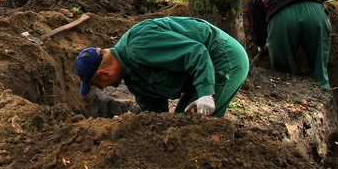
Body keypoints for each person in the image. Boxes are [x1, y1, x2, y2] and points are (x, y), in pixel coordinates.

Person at [75, 17, 250, 118]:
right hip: (201, 68)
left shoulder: (139, 45)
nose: (102, 88)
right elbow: (156, 114)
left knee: (194, 127)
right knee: (180, 123)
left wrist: (205, 94)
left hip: (223, 58)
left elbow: (196, 52)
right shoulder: (132, 79)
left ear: (103, 73)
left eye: (98, 84)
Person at [245, 0, 332, 88]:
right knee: (319, 64)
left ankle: (288, 97)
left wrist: (260, 43)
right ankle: (324, 87)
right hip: (314, 13)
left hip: (282, 18)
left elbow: (256, 20)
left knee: (284, 74)